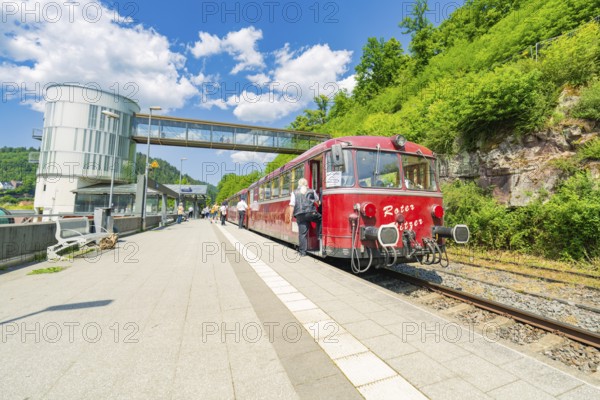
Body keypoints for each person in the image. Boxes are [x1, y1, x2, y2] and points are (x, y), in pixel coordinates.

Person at [288, 178, 321, 257]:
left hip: (300, 214)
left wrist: (290, 216)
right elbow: (317, 202)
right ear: (307, 184)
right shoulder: (311, 191)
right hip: (311, 213)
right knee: (321, 219)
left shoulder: (294, 192)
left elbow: (292, 205)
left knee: (302, 234)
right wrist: (319, 204)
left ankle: (303, 252)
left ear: (298, 184)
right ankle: (319, 234)